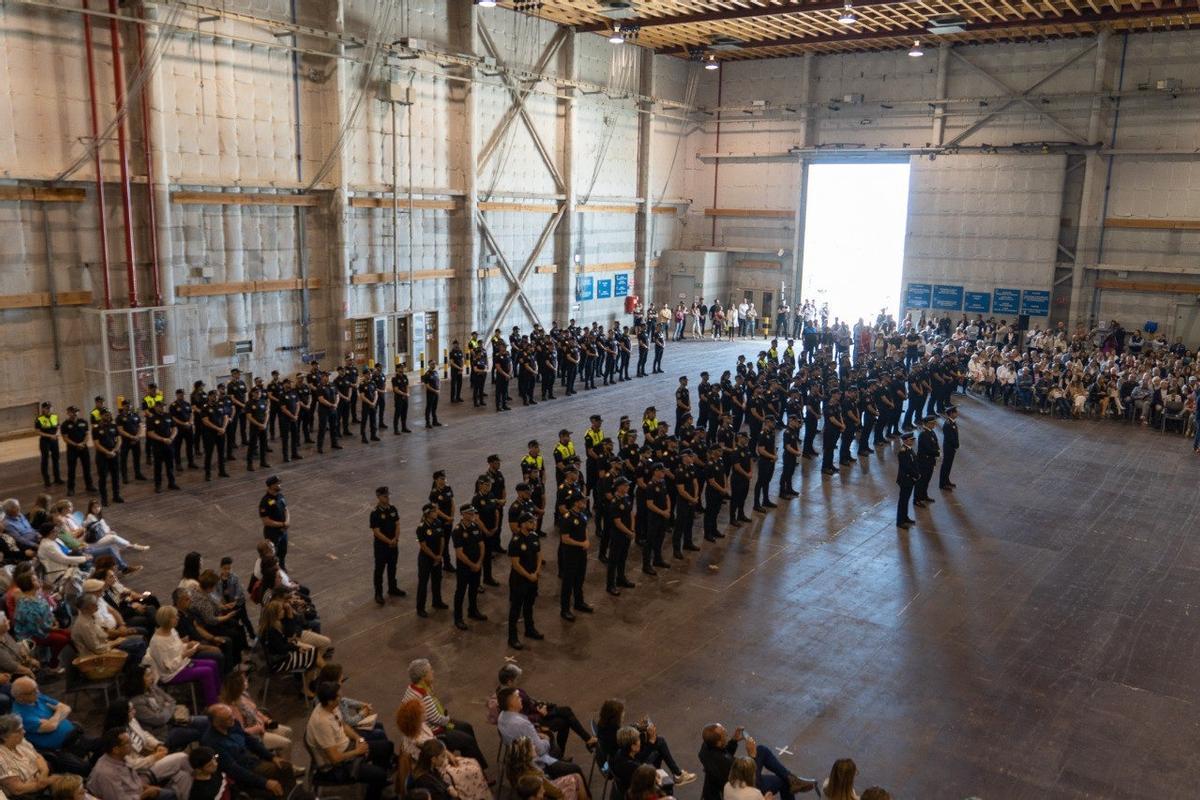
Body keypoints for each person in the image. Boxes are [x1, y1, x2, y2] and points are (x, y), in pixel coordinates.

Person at [306, 682, 391, 800]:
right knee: (379, 775)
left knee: (387, 747)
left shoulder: (331, 707)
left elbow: (344, 726)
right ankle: (374, 790)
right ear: (330, 701)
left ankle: (377, 782)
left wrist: (358, 739)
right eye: (338, 697)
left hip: (349, 746)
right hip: (338, 766)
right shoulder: (322, 723)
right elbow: (334, 759)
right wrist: (357, 751)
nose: (341, 699)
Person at [394, 700, 489, 799]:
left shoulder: (418, 728)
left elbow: (435, 746)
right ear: (415, 719)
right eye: (422, 713)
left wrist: (446, 753)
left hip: (438, 758)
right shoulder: (419, 741)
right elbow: (434, 761)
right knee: (472, 769)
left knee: (472, 763)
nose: (425, 712)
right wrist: (447, 756)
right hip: (437, 769)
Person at [200, 703, 298, 799]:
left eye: (232, 715)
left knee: (283, 766)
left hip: (251, 761)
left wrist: (272, 757)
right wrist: (265, 783)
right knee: (282, 771)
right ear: (216, 723)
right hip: (240, 773)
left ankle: (291, 795)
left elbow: (250, 741)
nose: (233, 719)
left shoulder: (233, 724)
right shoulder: (211, 743)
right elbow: (233, 769)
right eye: (228, 719)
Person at [401, 659, 487, 767]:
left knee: (466, 727)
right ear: (423, 677)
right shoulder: (423, 695)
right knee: (468, 740)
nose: (433, 672)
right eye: (430, 670)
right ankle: (475, 769)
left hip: (428, 727)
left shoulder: (411, 689)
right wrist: (447, 718)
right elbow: (437, 719)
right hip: (434, 733)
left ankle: (478, 767)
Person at [697, 723, 814, 800]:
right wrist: (751, 756)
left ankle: (792, 779)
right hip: (745, 783)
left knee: (761, 750)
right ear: (718, 742)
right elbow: (748, 777)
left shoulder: (706, 748)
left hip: (734, 781)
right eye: (725, 735)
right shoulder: (724, 765)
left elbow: (724, 753)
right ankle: (791, 780)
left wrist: (733, 741)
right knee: (782, 781)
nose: (727, 734)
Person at [10, 677, 99, 776]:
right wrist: (58, 712)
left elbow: (66, 708)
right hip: (60, 749)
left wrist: (54, 718)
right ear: (20, 696)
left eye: (37, 688)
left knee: (105, 744)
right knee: (86, 769)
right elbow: (51, 727)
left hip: (75, 734)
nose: (38, 692)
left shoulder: (38, 697)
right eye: (33, 691)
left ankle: (95, 768)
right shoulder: (20, 715)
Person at [596, 700, 693, 788]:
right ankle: (658, 778)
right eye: (621, 714)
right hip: (629, 768)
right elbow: (636, 758)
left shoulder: (603, 726)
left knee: (658, 743)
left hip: (616, 764)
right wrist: (650, 742)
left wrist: (636, 727)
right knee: (658, 746)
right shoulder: (617, 742)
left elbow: (623, 735)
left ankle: (673, 774)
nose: (623, 715)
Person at [496, 689, 585, 783]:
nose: (521, 699)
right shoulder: (522, 723)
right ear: (511, 703)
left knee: (555, 736)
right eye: (518, 697)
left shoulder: (501, 716)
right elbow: (541, 750)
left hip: (519, 759)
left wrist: (536, 734)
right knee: (575, 768)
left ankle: (559, 762)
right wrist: (546, 739)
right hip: (536, 763)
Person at [146, 606, 222, 707]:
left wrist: (187, 645)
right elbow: (167, 667)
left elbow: (177, 647)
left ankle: (218, 695)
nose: (178, 618)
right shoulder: (158, 642)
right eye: (175, 617)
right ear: (167, 620)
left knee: (213, 664)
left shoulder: (172, 631)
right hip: (172, 674)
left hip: (182, 663)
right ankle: (213, 705)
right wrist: (183, 655)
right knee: (206, 671)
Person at [124, 665, 208, 752]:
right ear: (138, 679)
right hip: (162, 733)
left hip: (176, 720)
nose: (152, 677)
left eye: (151, 674)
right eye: (148, 675)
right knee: (200, 732)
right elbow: (159, 719)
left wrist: (165, 709)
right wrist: (166, 707)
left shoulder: (153, 688)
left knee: (208, 721)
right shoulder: (136, 702)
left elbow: (172, 701)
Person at [258, 598, 322, 699]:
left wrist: (296, 646)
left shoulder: (274, 625)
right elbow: (281, 648)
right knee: (313, 653)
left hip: (282, 655)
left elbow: (285, 640)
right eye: (281, 610)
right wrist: (296, 648)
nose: (283, 611)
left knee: (312, 651)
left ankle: (324, 677)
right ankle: (309, 686)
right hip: (279, 661)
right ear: (275, 614)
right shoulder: (271, 630)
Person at [221, 671, 291, 752]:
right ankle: (281, 763)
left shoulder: (244, 694)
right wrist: (258, 728)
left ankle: (276, 755)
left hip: (262, 725)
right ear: (237, 686)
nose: (247, 681)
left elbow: (256, 711)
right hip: (254, 736)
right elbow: (242, 732)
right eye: (244, 680)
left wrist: (266, 720)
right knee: (287, 743)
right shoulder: (233, 707)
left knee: (287, 731)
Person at [504, 736, 589, 800]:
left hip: (546, 790)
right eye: (532, 745)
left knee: (576, 776)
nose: (535, 746)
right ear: (526, 753)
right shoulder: (534, 775)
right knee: (576, 779)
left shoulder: (519, 768)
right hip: (550, 794)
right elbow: (556, 793)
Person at [507, 512, 543, 650]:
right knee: (516, 609)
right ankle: (512, 637)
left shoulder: (534, 536)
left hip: (533, 577)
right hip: (519, 579)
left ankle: (530, 629)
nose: (533, 524)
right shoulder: (516, 541)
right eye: (529, 522)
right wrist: (529, 576)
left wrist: (537, 570)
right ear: (522, 524)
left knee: (529, 605)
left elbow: (539, 554)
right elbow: (515, 564)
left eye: (533, 521)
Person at [0, 712, 56, 797]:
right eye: (19, 731)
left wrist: (44, 772)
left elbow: (38, 757)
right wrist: (41, 784)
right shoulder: (1, 758)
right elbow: (18, 789)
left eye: (23, 728)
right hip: (30, 795)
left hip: (43, 779)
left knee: (73, 785)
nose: (24, 732)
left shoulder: (21, 741)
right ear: (4, 736)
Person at [451, 505, 486, 631]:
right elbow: (459, 553)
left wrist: (479, 562)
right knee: (460, 592)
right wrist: (472, 565)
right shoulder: (458, 530)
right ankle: (458, 618)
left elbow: (481, 545)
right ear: (463, 514)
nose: (472, 515)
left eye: (473, 512)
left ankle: (473, 610)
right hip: (464, 567)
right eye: (469, 513)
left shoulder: (475, 527)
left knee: (473, 589)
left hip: (477, 565)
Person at [558, 495, 592, 621]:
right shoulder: (567, 518)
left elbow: (585, 528)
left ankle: (579, 602)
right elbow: (565, 539)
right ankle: (565, 609)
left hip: (581, 553)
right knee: (568, 582)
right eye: (582, 501)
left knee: (580, 578)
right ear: (576, 503)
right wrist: (581, 544)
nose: (585, 503)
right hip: (571, 554)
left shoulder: (582, 514)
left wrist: (587, 540)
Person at [369, 487, 406, 605]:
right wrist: (389, 541)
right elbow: (376, 532)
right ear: (379, 497)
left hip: (393, 544)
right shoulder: (375, 513)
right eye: (385, 496)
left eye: (388, 495)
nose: (388, 498)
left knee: (392, 567)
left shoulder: (393, 509)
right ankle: (378, 593)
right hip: (381, 547)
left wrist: (396, 539)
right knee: (379, 570)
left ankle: (392, 588)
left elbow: (397, 524)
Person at [60, 406, 95, 497]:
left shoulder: (83, 422)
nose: (75, 413)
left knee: (87, 468)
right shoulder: (65, 424)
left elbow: (87, 435)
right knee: (71, 470)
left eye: (76, 411)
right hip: (72, 449)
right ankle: (71, 489)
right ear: (68, 413)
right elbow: (65, 438)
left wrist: (83, 443)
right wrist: (76, 445)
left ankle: (89, 485)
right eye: (72, 412)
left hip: (83, 448)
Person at [258, 476, 290, 571]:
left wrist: (287, 522)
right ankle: (274, 571)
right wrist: (283, 524)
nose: (279, 485)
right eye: (277, 483)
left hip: (283, 531)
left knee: (283, 551)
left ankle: (282, 568)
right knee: (272, 554)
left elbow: (286, 509)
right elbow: (266, 521)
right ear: (271, 486)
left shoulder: (280, 496)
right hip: (272, 533)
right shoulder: (265, 502)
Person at [35, 402, 64, 488]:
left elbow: (58, 427)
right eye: (47, 408)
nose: (49, 409)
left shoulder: (55, 416)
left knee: (56, 459)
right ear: (43, 409)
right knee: (45, 460)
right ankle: (47, 480)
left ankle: (57, 478)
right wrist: (50, 436)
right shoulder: (39, 418)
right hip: (45, 441)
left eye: (50, 408)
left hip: (54, 440)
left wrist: (57, 434)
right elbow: (38, 431)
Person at [914, 414, 940, 507]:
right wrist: (937, 453)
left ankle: (924, 495)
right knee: (921, 481)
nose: (934, 424)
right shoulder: (923, 434)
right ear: (928, 424)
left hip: (930, 461)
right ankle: (917, 499)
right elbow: (928, 449)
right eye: (933, 423)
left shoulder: (931, 432)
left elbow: (935, 443)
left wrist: (937, 450)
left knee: (927, 479)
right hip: (924, 461)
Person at [895, 431, 918, 529]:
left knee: (906, 499)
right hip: (905, 479)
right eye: (910, 440)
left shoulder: (909, 449)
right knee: (903, 501)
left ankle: (905, 517)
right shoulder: (903, 451)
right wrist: (915, 475)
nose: (912, 441)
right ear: (905, 441)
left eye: (913, 439)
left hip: (910, 478)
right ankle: (900, 521)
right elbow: (906, 467)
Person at [938, 404, 959, 490]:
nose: (957, 413)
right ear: (950, 413)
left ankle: (947, 480)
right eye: (955, 412)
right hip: (949, 448)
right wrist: (955, 445)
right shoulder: (947, 424)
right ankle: (942, 484)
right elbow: (950, 438)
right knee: (946, 466)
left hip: (952, 447)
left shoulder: (952, 422)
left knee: (949, 465)